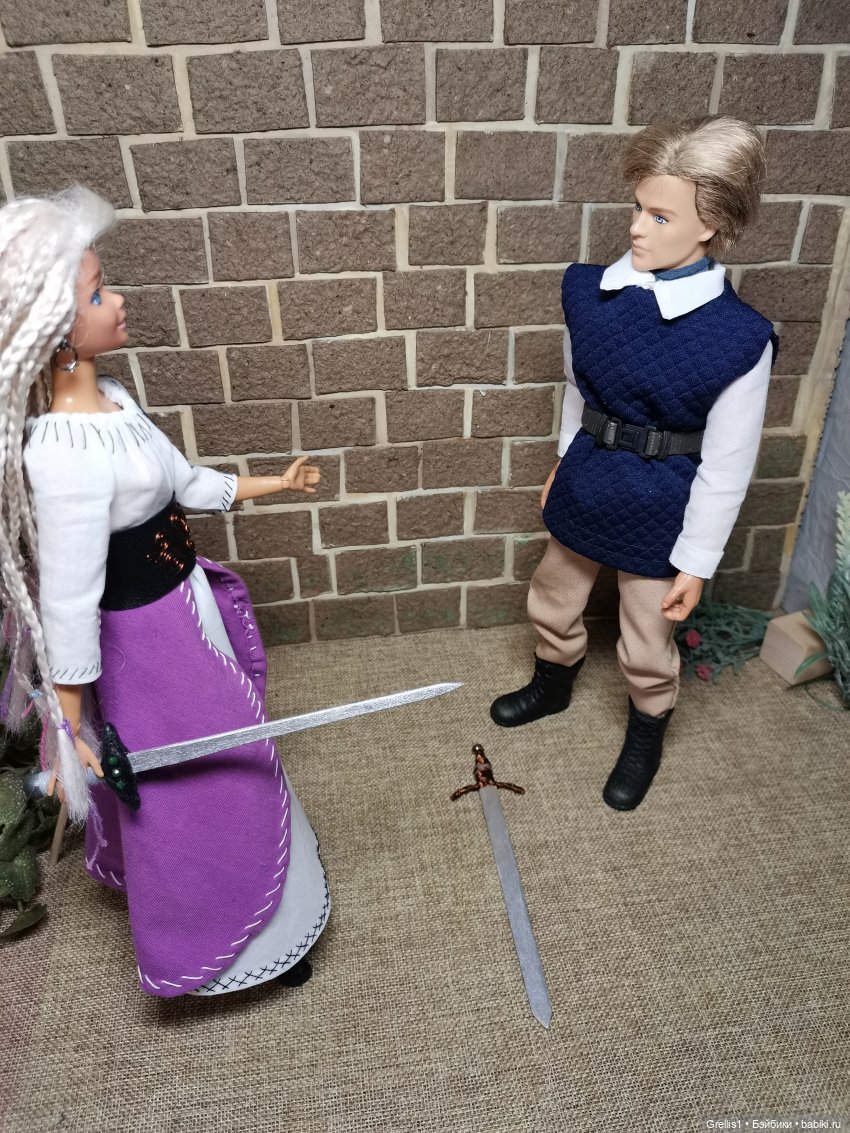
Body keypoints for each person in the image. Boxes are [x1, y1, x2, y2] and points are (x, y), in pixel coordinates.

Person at [0, 187, 329, 996]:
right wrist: (71, 726)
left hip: (188, 609)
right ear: (55, 329)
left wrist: (272, 484)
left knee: (235, 747)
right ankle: (220, 935)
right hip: (148, 644)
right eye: (98, 294)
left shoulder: (115, 401)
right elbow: (69, 602)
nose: (117, 301)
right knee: (204, 779)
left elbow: (182, 480)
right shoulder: (61, 459)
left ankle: (273, 906)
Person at [490, 117, 777, 811]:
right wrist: (565, 461)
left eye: (660, 216)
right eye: (638, 208)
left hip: (662, 500)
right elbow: (578, 389)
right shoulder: (590, 294)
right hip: (592, 476)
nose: (637, 228)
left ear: (709, 226)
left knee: (647, 638)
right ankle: (553, 682)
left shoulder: (740, 337)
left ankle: (646, 728)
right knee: (553, 595)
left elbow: (728, 463)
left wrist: (697, 561)